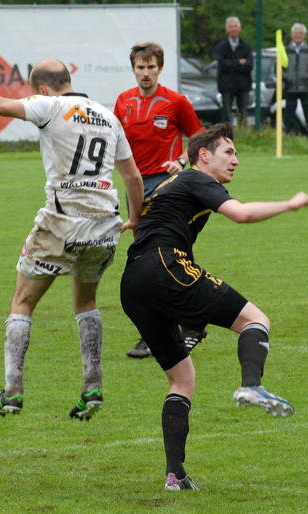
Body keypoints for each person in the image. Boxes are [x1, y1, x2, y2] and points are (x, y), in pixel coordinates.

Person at [0, 47, 144, 421]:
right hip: (105, 225)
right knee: (86, 301)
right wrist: (136, 219)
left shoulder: (51, 106)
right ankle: (92, 386)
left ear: (43, 89)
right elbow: (133, 177)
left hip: (62, 220)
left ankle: (12, 392)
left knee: (23, 301)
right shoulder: (108, 117)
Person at [119, 123, 308, 491]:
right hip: (165, 267)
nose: (236, 160)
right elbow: (240, 213)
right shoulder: (197, 178)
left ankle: (175, 475)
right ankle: (252, 386)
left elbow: (142, 217)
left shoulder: (172, 181)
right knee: (255, 319)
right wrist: (289, 204)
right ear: (204, 156)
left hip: (132, 283)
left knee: (182, 379)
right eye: (229, 152)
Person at [114, 42, 206, 359]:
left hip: (165, 185)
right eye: (140, 67)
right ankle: (165, 329)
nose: (146, 73)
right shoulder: (123, 102)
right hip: (134, 185)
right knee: (144, 259)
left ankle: (180, 325)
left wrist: (181, 160)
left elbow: (199, 138)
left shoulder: (176, 102)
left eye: (151, 67)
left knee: (164, 256)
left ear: (160, 69)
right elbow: (115, 140)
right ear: (133, 69)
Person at [284, 23, 308, 137]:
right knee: (289, 115)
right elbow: (278, 68)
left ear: (305, 35)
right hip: (290, 88)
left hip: (307, 88)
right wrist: (287, 77)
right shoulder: (286, 51)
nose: (298, 35)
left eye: (300, 33)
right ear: (292, 35)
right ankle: (289, 136)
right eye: (296, 33)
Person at [213, 16, 254, 126]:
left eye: (235, 26)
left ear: (239, 29)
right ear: (227, 30)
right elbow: (221, 64)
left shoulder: (246, 46)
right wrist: (238, 62)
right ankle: (226, 134)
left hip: (243, 84)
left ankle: (243, 133)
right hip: (226, 85)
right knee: (226, 113)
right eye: (231, 27)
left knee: (243, 113)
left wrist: (230, 64)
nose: (233, 29)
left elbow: (249, 65)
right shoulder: (221, 47)